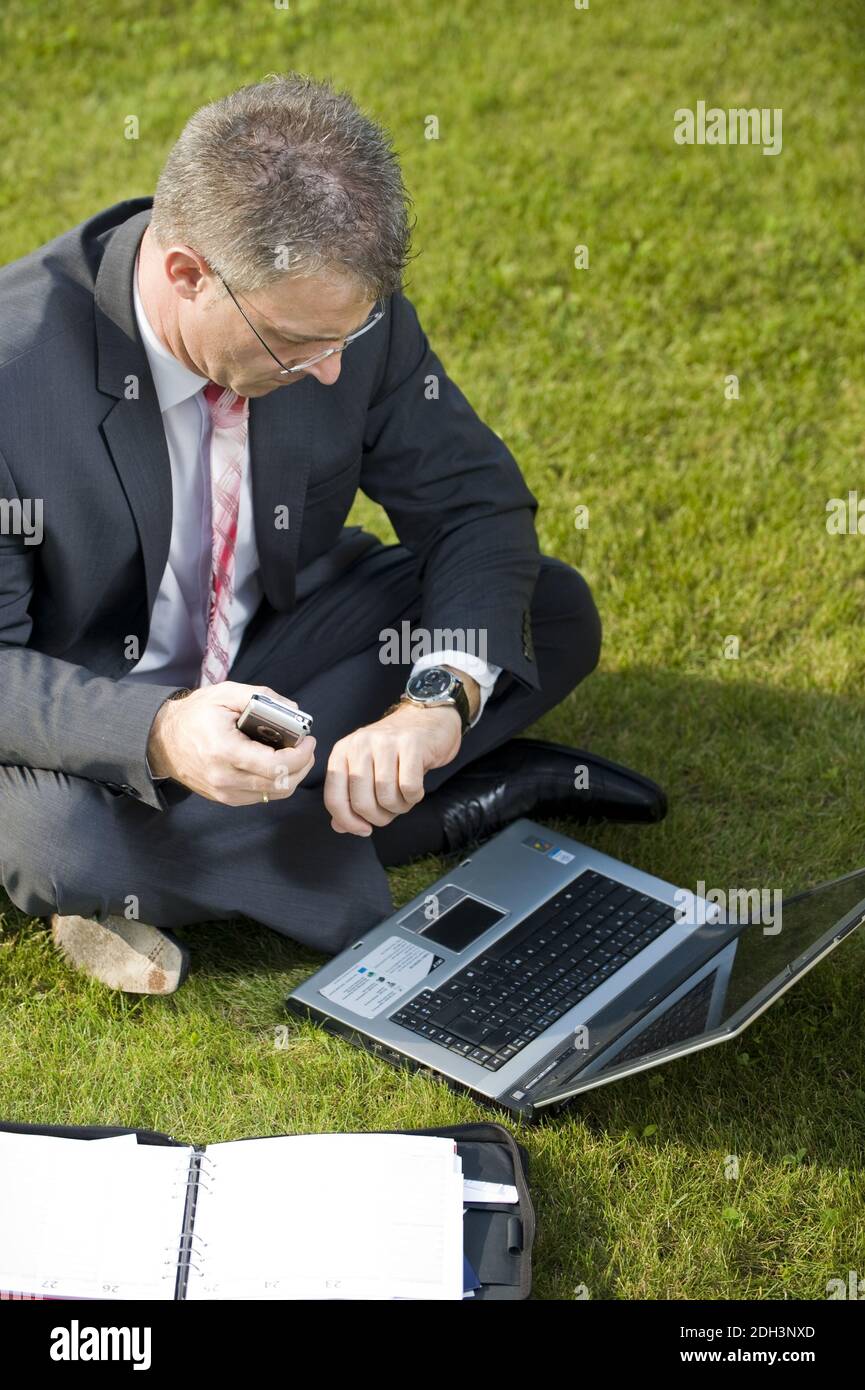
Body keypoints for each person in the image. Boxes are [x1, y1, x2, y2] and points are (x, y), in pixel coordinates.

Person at [0, 73, 665, 995]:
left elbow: (473, 505)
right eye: (292, 346)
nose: (330, 374)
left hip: (279, 643)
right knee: (63, 843)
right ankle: (455, 809)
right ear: (187, 272)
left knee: (549, 611)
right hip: (80, 712)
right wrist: (158, 733)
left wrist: (434, 704)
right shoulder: (11, 373)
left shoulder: (334, 316)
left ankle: (198, 858)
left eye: (349, 336)